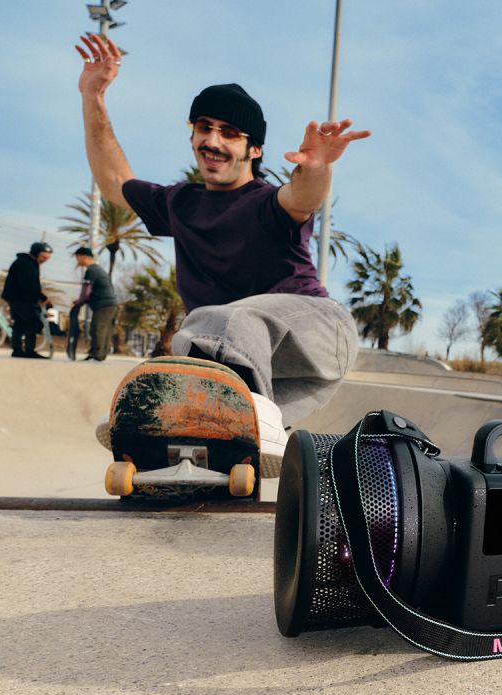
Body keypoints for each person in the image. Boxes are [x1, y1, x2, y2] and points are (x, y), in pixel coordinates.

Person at [75, 33, 369, 469]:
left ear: (254, 149)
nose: (213, 141)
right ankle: (210, 441)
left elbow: (302, 197)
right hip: (255, 363)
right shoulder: (179, 203)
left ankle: (232, 416)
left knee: (222, 319)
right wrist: (93, 96)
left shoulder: (267, 202)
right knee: (206, 375)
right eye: (204, 128)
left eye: (229, 133)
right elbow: (114, 182)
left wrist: (318, 167)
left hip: (318, 336)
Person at [1, 241, 52, 359]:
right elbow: (29, 285)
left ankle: (17, 350)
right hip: (21, 298)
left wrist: (39, 296)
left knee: (20, 322)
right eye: (44, 257)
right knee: (33, 322)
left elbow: (32, 285)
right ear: (36, 253)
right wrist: (42, 297)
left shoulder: (28, 263)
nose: (45, 260)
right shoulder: (25, 264)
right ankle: (29, 350)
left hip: (17, 298)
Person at [71, 246, 119, 361]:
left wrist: (79, 302)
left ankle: (96, 355)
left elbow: (86, 291)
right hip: (112, 305)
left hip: (104, 305)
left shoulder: (91, 271)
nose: (77, 261)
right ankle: (101, 355)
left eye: (77, 258)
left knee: (97, 329)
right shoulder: (98, 269)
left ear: (83, 257)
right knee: (105, 330)